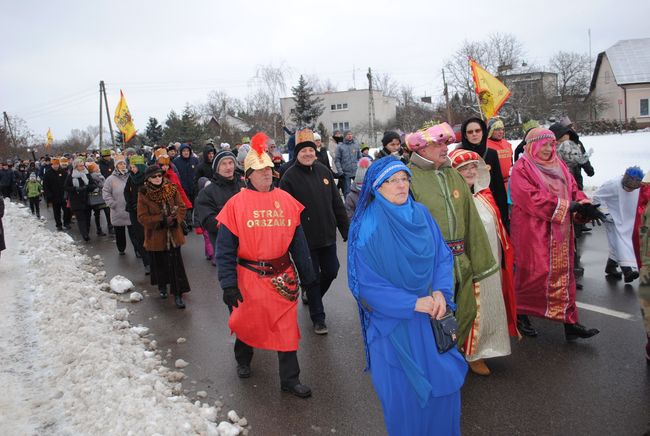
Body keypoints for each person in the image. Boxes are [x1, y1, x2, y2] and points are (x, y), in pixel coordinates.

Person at [348, 156, 467, 435]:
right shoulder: (368, 227)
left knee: (445, 391)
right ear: (377, 187)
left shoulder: (421, 213)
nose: (401, 186)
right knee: (406, 399)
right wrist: (412, 303)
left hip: (433, 314)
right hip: (396, 324)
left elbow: (442, 257)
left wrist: (441, 291)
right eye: (392, 181)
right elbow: (366, 285)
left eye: (404, 179)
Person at [215, 132, 316, 398]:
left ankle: (290, 379)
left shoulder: (285, 200)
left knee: (286, 328)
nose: (266, 175)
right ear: (247, 175)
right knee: (248, 322)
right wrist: (228, 284)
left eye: (269, 169)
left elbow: (299, 243)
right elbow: (224, 250)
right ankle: (244, 359)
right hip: (249, 277)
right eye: (260, 171)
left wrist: (308, 275)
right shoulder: (235, 204)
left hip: (282, 276)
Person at [406, 122, 499, 349]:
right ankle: (435, 366)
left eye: (447, 142)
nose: (446, 147)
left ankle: (450, 358)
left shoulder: (453, 175)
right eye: (439, 143)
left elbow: (471, 221)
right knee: (433, 320)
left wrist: (478, 261)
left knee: (466, 312)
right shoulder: (408, 178)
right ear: (421, 147)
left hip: (462, 263)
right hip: (431, 267)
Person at [510, 127, 601, 340]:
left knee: (564, 275)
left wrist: (585, 204)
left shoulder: (558, 165)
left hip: (560, 232)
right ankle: (521, 313)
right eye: (545, 145)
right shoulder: (522, 168)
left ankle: (570, 322)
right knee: (534, 275)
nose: (549, 148)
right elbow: (529, 198)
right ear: (533, 145)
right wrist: (568, 207)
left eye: (552, 144)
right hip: (533, 232)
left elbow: (573, 189)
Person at [449, 149, 518, 375]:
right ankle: (471, 352)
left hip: (492, 262)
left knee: (491, 304)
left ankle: (488, 346)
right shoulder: (454, 199)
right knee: (473, 307)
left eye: (472, 167)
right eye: (463, 168)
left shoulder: (484, 194)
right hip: (469, 264)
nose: (470, 171)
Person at [280, 129, 350, 334]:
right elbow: (285, 211)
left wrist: (345, 230)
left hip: (327, 235)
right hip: (304, 239)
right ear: (297, 153)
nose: (308, 153)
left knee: (332, 271)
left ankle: (312, 294)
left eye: (311, 150)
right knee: (311, 276)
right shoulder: (288, 177)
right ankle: (318, 318)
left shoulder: (324, 172)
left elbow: (337, 204)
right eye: (304, 151)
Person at [137, 165, 190, 308]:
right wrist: (161, 220)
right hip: (156, 236)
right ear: (148, 179)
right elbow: (142, 217)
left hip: (173, 234)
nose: (157, 179)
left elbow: (182, 206)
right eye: (154, 176)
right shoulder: (143, 193)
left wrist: (175, 219)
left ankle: (178, 294)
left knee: (176, 266)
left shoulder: (171, 188)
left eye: (159, 175)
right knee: (160, 264)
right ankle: (162, 286)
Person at [457, 117, 509, 231]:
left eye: (478, 130)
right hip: (468, 205)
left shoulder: (491, 153)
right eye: (470, 132)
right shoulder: (459, 155)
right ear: (465, 135)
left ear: (483, 132)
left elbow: (498, 184)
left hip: (490, 205)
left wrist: (504, 216)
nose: (474, 134)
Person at [594, 166, 644, 283]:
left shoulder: (639, 187)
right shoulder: (612, 184)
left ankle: (611, 267)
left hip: (629, 219)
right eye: (628, 188)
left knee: (622, 242)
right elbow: (597, 197)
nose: (630, 190)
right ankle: (628, 271)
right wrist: (605, 213)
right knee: (620, 242)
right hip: (614, 218)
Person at [194, 150, 245, 263]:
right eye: (224, 164)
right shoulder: (207, 192)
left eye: (231, 163)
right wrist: (235, 223)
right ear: (217, 167)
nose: (228, 167)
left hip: (249, 247)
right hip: (225, 248)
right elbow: (208, 221)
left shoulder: (244, 185)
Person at [123, 155, 151, 274]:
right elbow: (126, 192)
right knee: (140, 237)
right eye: (131, 166)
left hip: (147, 212)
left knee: (150, 236)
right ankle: (147, 263)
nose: (132, 169)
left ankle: (154, 260)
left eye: (134, 167)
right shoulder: (131, 178)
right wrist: (132, 203)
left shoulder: (148, 177)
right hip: (134, 212)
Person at [103, 154, 134, 255]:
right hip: (117, 210)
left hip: (130, 209)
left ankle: (138, 250)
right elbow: (106, 192)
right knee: (119, 232)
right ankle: (121, 249)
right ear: (116, 166)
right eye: (120, 164)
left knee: (134, 233)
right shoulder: (110, 179)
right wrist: (112, 203)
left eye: (124, 164)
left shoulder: (130, 176)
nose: (122, 166)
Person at [65, 158, 96, 241]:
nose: (82, 167)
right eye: (80, 166)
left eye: (83, 165)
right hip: (76, 201)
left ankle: (86, 232)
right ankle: (85, 234)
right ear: (75, 167)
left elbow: (93, 185)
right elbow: (66, 187)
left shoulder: (87, 174)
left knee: (88, 218)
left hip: (87, 200)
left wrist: (87, 187)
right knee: (81, 219)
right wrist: (76, 189)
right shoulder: (71, 176)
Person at [43, 157, 72, 230]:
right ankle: (59, 225)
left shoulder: (63, 172)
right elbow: (45, 186)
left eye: (57, 164)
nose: (56, 166)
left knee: (66, 210)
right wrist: (49, 196)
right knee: (57, 212)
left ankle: (66, 223)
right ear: (52, 165)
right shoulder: (48, 173)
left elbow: (68, 182)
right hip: (54, 196)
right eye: (54, 164)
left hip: (63, 195)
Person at [486, 117, 513, 193]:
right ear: (490, 131)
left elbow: (511, 163)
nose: (501, 132)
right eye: (497, 129)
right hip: (494, 185)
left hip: (509, 184)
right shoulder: (485, 145)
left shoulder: (507, 144)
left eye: (502, 129)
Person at [87, 162, 112, 236]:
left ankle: (100, 229)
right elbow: (102, 185)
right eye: (96, 167)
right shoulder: (95, 176)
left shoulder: (97, 175)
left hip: (99, 197)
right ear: (93, 169)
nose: (98, 168)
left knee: (99, 213)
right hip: (99, 196)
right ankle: (108, 228)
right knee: (105, 212)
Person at [334, 130, 361, 196]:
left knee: (360, 189)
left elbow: (360, 158)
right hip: (345, 173)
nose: (350, 136)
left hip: (356, 172)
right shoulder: (340, 146)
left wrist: (361, 169)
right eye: (348, 134)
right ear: (345, 136)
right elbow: (337, 160)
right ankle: (348, 205)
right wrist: (340, 172)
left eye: (351, 134)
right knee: (347, 191)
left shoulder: (356, 145)